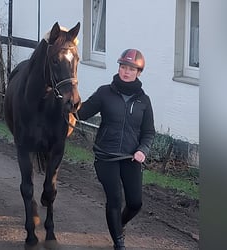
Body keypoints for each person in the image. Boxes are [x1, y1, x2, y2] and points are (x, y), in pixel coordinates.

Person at [77, 49, 155, 250]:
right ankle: (118, 242)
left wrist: (142, 150)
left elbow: (149, 132)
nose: (126, 72)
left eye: (131, 68)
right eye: (123, 67)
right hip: (105, 156)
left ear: (138, 72)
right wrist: (67, 102)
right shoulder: (105, 92)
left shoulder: (144, 101)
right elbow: (81, 113)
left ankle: (117, 225)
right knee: (114, 198)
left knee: (135, 203)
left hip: (131, 158)